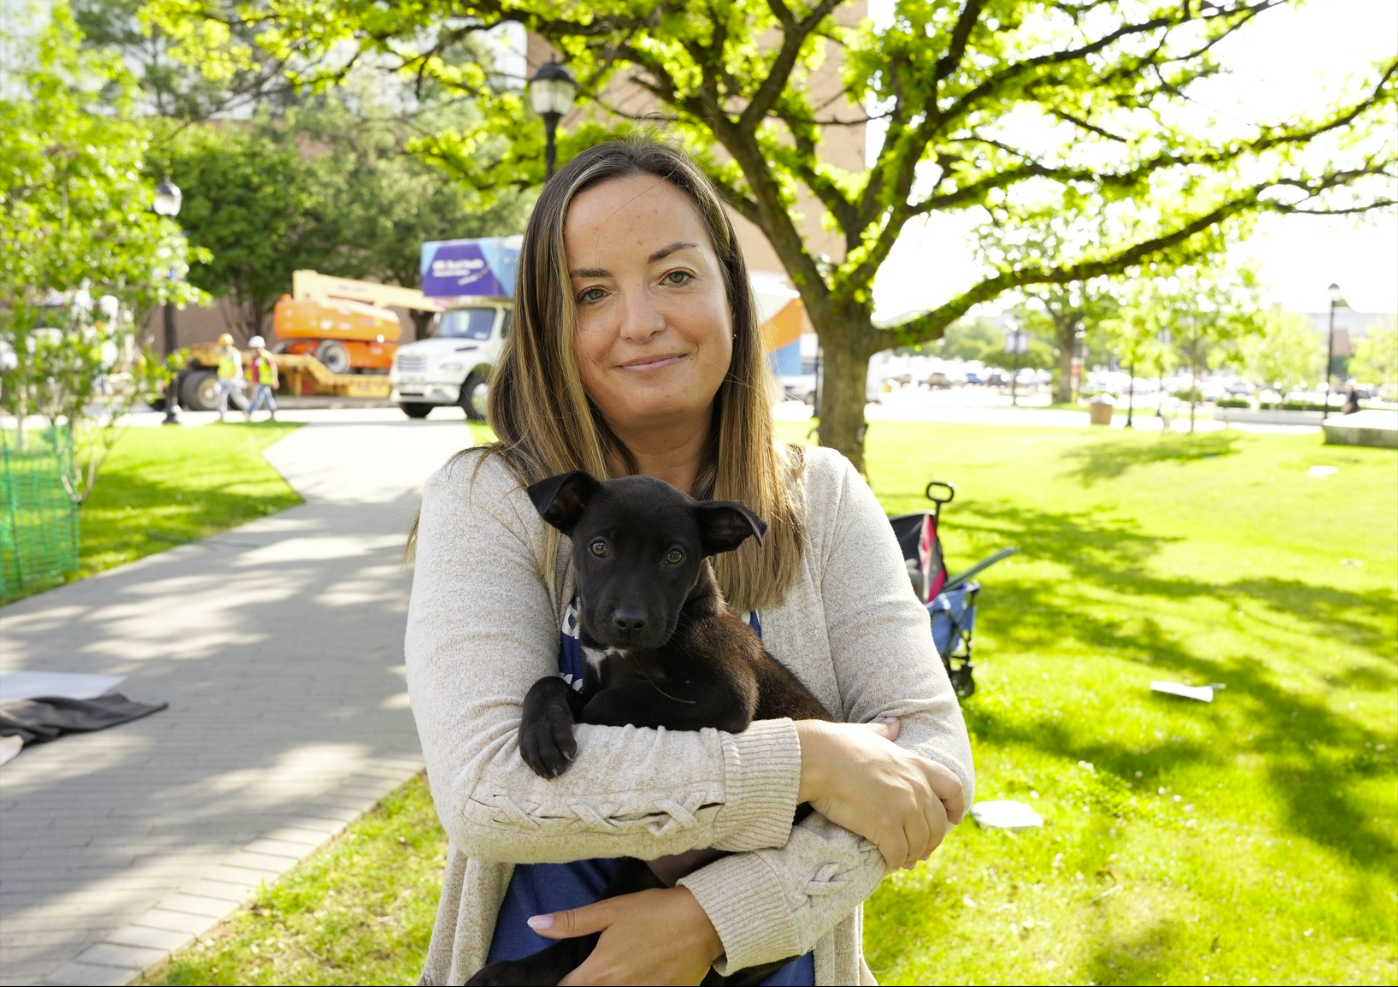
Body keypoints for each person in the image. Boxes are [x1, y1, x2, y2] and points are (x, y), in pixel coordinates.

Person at [404, 138, 974, 987]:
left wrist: (715, 919)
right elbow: (490, 791)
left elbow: (931, 770)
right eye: (592, 292)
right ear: (552, 326)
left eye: (674, 275)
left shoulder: (822, 497)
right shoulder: (491, 498)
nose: (640, 321)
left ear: (732, 298)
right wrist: (814, 762)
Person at [214, 333, 249, 422]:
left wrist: (236, 378)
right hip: (223, 379)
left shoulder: (234, 353)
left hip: (232, 379)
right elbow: (222, 367)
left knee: (237, 397)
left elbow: (237, 366)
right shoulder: (223, 354)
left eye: (225, 344)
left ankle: (249, 411)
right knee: (221, 397)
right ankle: (221, 415)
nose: (224, 346)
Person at [245, 336, 279, 421]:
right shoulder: (256, 357)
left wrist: (275, 380)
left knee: (257, 398)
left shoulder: (266, 356)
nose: (255, 350)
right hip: (260, 381)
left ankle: (249, 412)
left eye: (256, 348)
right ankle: (273, 413)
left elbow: (273, 368)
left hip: (265, 381)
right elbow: (253, 369)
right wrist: (250, 379)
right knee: (268, 398)